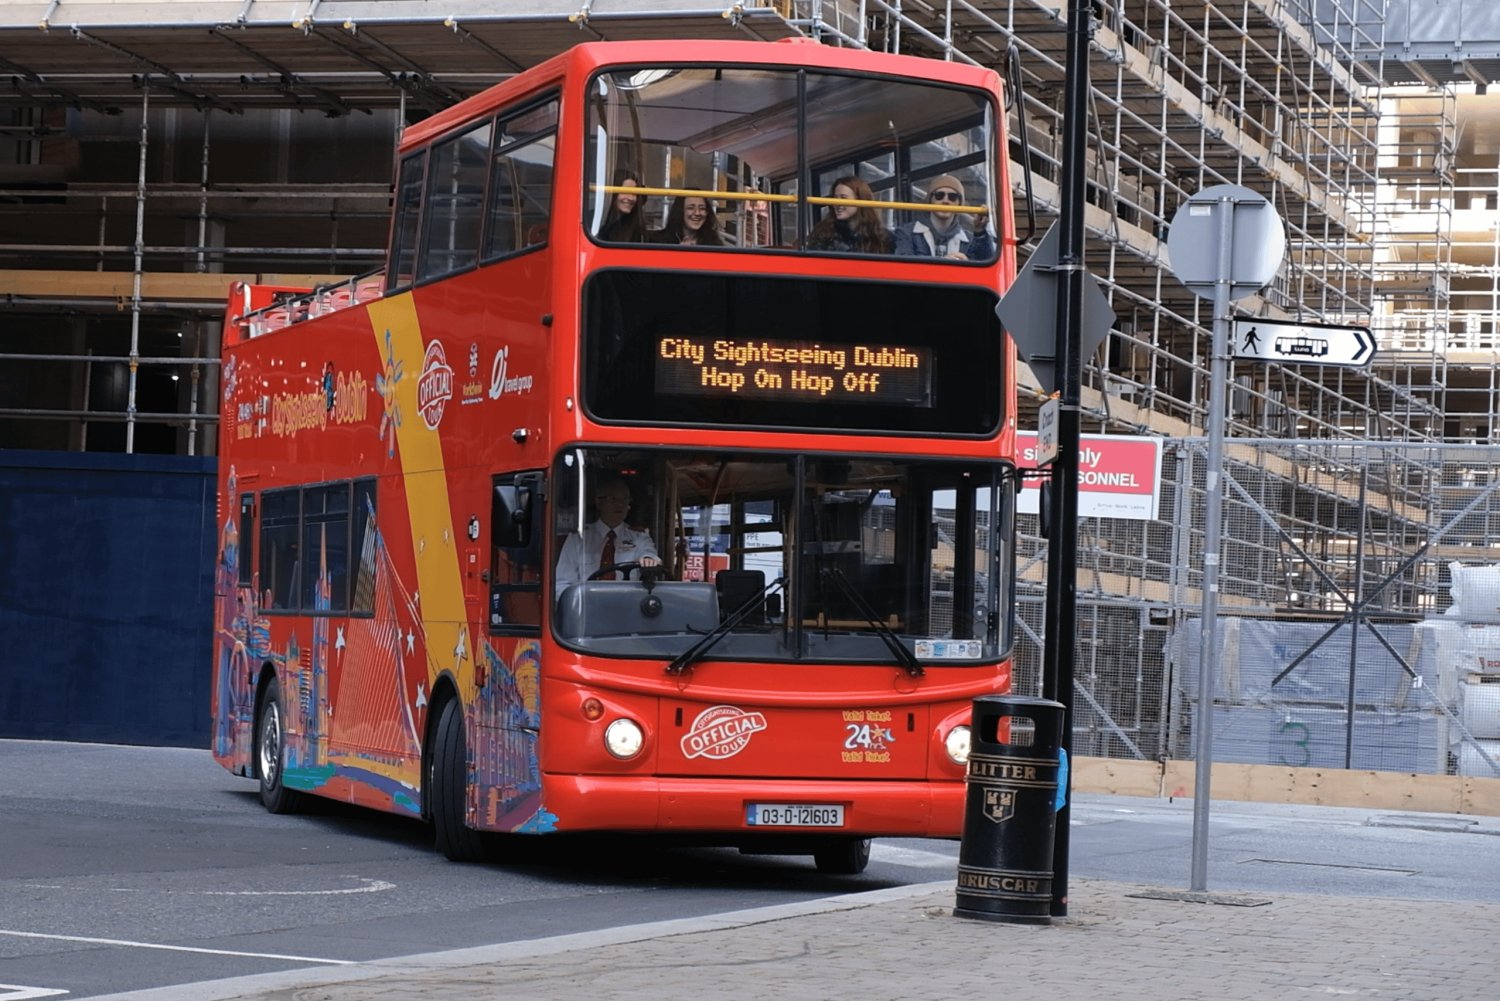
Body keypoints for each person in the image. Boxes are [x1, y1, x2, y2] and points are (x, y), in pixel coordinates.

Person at [555, 476, 660, 596]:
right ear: (599, 503)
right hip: (588, 608)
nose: (620, 504)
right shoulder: (578, 539)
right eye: (613, 498)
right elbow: (561, 584)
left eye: (625, 499)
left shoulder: (639, 537)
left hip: (627, 607)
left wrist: (648, 559)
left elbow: (649, 553)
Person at [893, 173, 994, 261]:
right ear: (930, 200)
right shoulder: (906, 233)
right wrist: (943, 261)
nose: (946, 201)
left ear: (959, 203)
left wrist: (980, 232)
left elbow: (987, 263)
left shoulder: (969, 239)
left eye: (952, 197)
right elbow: (904, 265)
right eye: (939, 195)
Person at [806, 176, 893, 254]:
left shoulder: (880, 236)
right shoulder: (823, 234)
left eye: (843, 198)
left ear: (860, 200)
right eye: (835, 198)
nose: (837, 203)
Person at [650, 194, 724, 246]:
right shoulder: (658, 241)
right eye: (691, 208)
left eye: (702, 208)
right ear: (680, 211)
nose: (697, 213)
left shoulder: (714, 243)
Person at [598, 170, 647, 242]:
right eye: (625, 191)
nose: (631, 198)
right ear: (611, 194)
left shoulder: (636, 225)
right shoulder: (597, 221)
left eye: (634, 193)